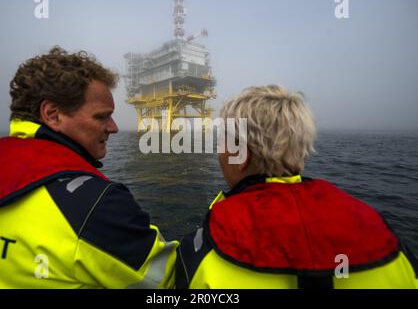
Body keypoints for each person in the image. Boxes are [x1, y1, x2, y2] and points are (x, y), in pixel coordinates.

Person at [0, 46, 177, 289]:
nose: (114, 127)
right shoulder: (94, 206)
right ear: (53, 115)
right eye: (101, 117)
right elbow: (166, 283)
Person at [176, 85, 418, 289]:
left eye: (223, 142)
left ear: (241, 156)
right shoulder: (390, 243)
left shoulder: (208, 250)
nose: (219, 152)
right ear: (301, 153)